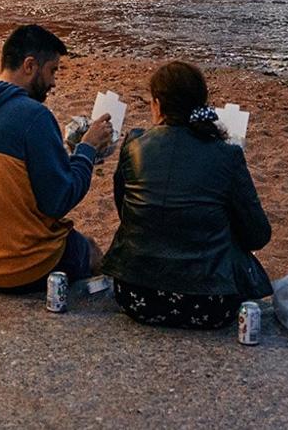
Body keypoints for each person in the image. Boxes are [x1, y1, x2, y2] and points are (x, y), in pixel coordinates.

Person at [101, 61, 272, 330]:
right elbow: (258, 235)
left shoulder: (135, 145)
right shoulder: (227, 154)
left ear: (156, 104)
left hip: (136, 296)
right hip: (210, 303)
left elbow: (126, 212)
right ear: (203, 103)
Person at [0, 24, 114, 292]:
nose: (54, 82)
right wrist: (88, 148)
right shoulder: (35, 116)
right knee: (89, 250)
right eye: (53, 70)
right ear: (30, 65)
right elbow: (58, 201)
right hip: (17, 268)